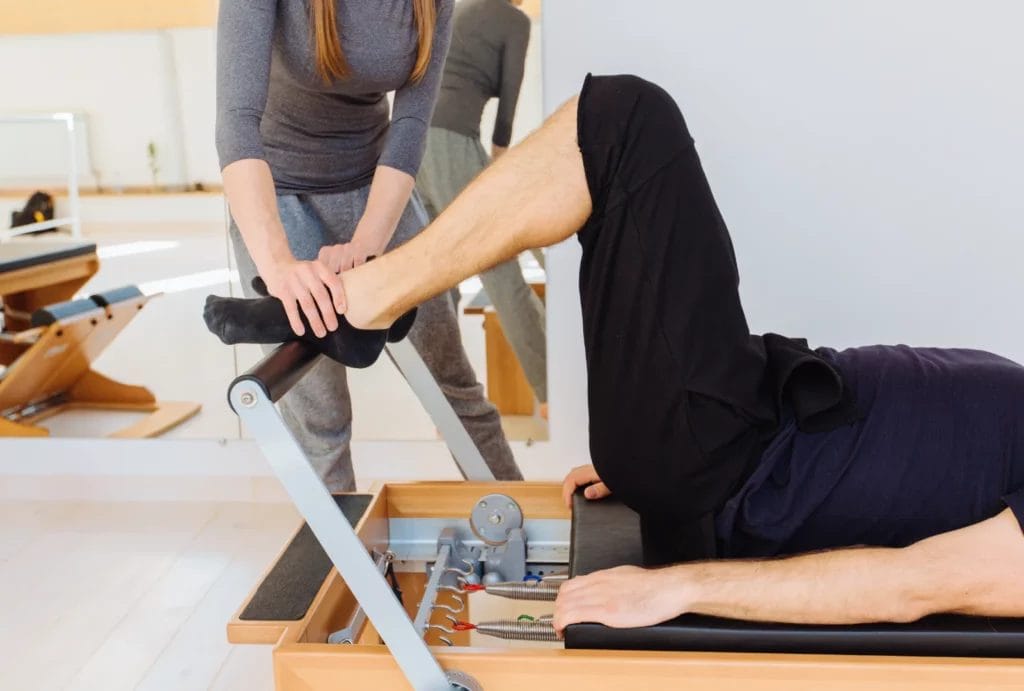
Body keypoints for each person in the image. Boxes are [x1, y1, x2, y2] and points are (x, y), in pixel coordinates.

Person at [207, 73, 1024, 632]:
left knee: (626, 124)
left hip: (736, 467)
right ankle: (371, 298)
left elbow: (916, 584)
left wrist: (677, 586)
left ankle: (368, 298)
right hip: (741, 415)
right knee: (623, 135)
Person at [214, 0, 521, 492]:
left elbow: (411, 123)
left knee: (454, 386)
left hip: (379, 191)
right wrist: (279, 265)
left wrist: (366, 243)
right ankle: (338, 541)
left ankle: (516, 516)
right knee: (321, 417)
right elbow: (236, 119)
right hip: (278, 197)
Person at [416, 0, 548, 412]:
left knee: (438, 282)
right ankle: (552, 393)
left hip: (412, 144)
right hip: (450, 144)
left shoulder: (462, 8)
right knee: (500, 269)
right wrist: (499, 155)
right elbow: (510, 95)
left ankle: (449, 404)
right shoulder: (514, 20)